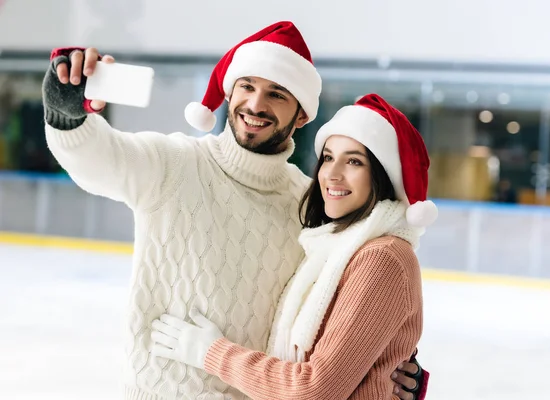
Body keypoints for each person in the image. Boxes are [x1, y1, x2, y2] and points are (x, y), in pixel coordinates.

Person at [42, 20, 425, 399]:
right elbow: (97, 159)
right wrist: (66, 116)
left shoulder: (311, 204)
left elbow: (336, 319)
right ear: (229, 92)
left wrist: (386, 363)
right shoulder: (173, 163)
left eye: (277, 93)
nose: (256, 104)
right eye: (247, 85)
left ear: (302, 115)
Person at [150, 93, 437, 399]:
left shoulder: (382, 258)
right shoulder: (331, 246)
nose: (332, 174)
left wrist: (211, 352)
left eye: (354, 161)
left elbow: (315, 389)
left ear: (384, 174)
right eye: (328, 157)